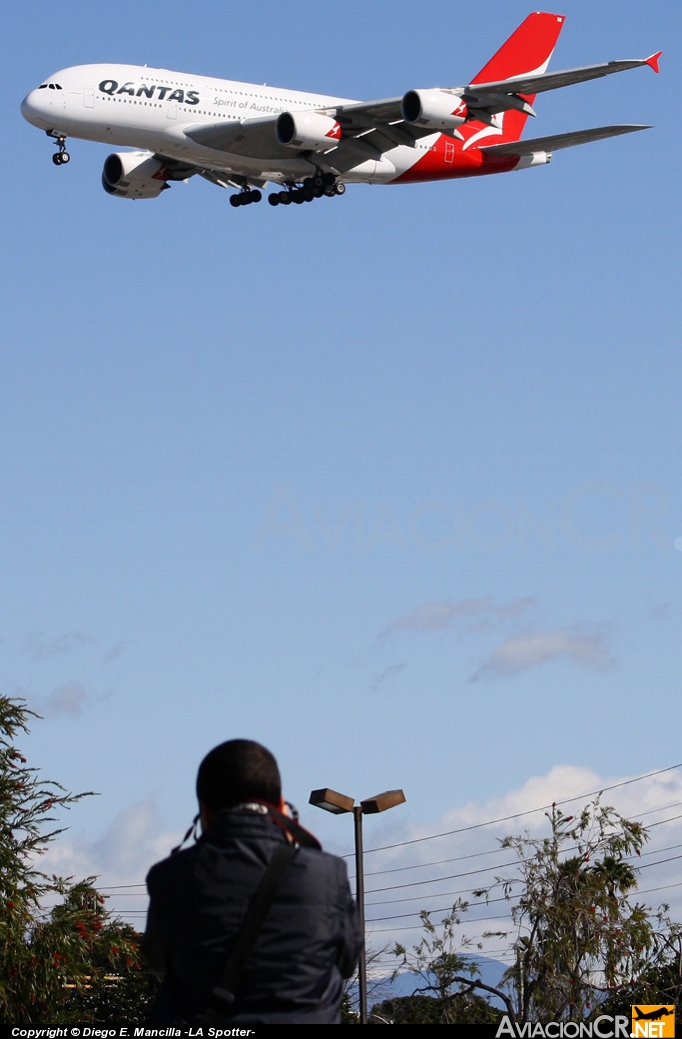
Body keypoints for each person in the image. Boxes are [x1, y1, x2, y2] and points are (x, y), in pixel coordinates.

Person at [144, 739, 361, 1024]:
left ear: (204, 810)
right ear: (282, 806)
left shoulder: (170, 878)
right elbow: (347, 962)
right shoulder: (327, 874)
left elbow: (157, 958)